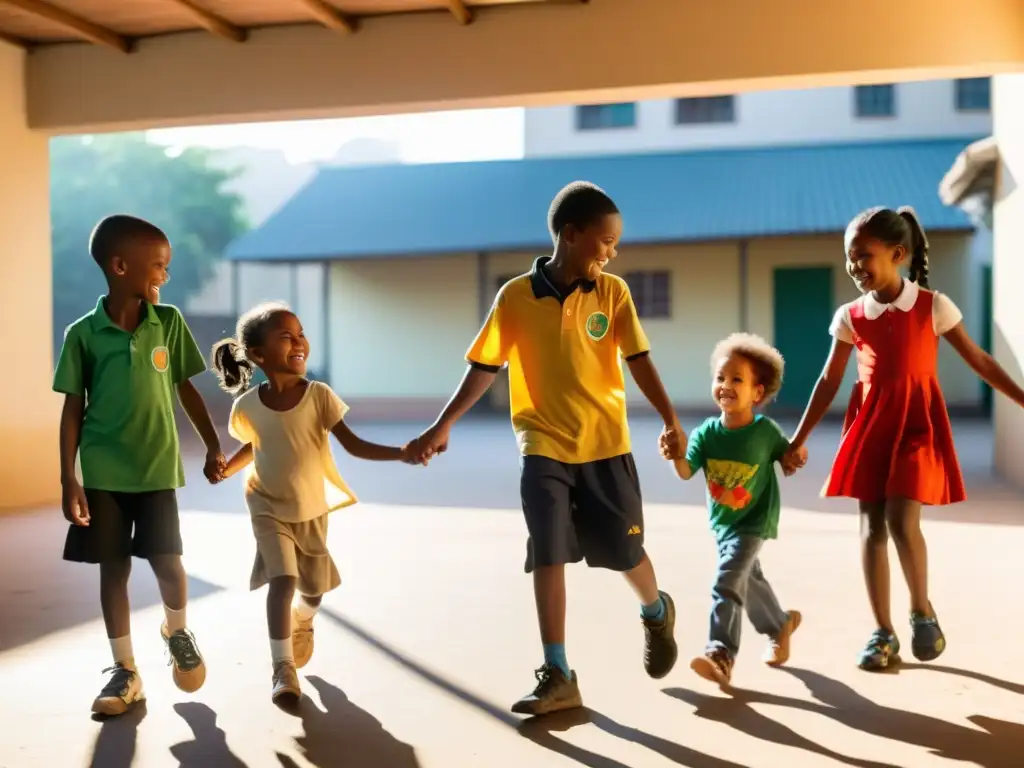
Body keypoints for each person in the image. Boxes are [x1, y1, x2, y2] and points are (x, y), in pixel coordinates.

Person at [406, 181, 683, 716]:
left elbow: (639, 360)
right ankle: (558, 672)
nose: (611, 252)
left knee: (624, 552)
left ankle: (656, 610)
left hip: (604, 443)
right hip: (542, 442)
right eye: (605, 241)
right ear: (571, 235)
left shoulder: (613, 293)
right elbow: (485, 366)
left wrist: (671, 420)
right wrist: (442, 426)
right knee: (548, 550)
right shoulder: (514, 296)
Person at [781, 206, 1024, 671]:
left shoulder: (934, 306)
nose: (855, 267)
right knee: (871, 526)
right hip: (871, 425)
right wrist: (797, 440)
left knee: (900, 518)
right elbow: (828, 381)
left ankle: (921, 610)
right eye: (850, 258)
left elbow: (980, 361)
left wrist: (1022, 399)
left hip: (916, 424)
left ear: (897, 254)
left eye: (864, 257)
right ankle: (882, 632)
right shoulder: (850, 316)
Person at [54, 214, 224, 717]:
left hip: (156, 471)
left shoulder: (167, 323)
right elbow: (72, 408)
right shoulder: (83, 334)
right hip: (104, 472)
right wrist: (70, 477)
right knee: (115, 570)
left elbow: (187, 388)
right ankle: (124, 670)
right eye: (158, 266)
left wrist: (214, 446)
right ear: (120, 266)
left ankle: (176, 630)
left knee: (168, 562)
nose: (164, 276)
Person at [210, 302, 411, 704]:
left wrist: (401, 452)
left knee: (313, 592)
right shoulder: (247, 405)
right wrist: (225, 469)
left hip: (310, 509)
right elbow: (255, 445)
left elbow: (354, 446)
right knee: (282, 580)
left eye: (300, 333)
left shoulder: (319, 396)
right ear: (258, 354)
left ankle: (303, 619)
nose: (299, 342)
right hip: (265, 503)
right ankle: (282, 669)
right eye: (286, 336)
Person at [661, 333, 801, 688]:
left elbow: (789, 457)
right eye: (720, 377)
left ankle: (720, 652)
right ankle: (779, 625)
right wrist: (675, 452)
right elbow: (684, 471)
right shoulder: (706, 433)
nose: (725, 385)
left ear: (757, 392)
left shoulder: (765, 432)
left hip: (753, 521)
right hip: (723, 523)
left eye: (736, 379)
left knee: (727, 581)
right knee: (747, 579)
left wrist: (795, 456)